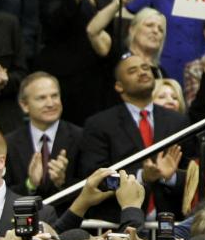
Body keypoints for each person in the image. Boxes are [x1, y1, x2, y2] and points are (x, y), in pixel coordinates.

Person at [74, 53, 191, 220]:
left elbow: (194, 175)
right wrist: (141, 177)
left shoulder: (177, 121)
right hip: (118, 222)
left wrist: (169, 176)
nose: (143, 72)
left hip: (170, 223)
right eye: (132, 71)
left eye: (145, 68)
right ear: (119, 86)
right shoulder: (100, 124)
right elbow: (96, 179)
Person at [5, 72, 79, 197]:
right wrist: (31, 184)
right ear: (25, 105)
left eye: (54, 96)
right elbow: (1, 194)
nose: (51, 104)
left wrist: (62, 183)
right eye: (41, 98)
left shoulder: (80, 136)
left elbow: (91, 186)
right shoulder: (9, 143)